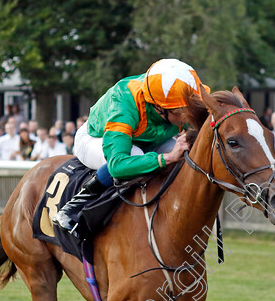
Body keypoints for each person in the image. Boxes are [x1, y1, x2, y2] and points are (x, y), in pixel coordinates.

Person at [53, 58, 208, 234]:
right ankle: (72, 208)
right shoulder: (125, 102)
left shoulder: (174, 95)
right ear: (158, 108)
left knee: (184, 158)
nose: (188, 117)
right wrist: (168, 157)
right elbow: (118, 165)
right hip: (95, 139)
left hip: (148, 140)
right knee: (136, 154)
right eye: (181, 112)